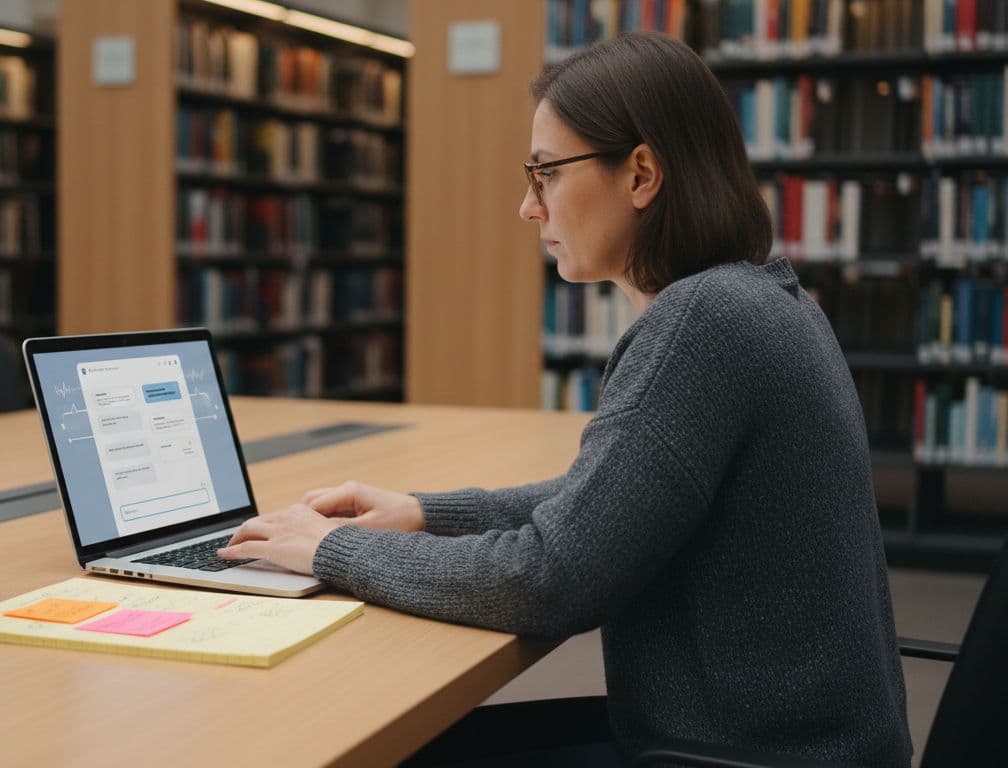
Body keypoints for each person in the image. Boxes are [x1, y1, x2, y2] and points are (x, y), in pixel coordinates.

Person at [218, 32, 913, 767]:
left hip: (738, 755)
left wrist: (333, 549)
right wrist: (425, 514)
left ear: (641, 174)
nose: (527, 205)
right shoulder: (762, 297)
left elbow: (550, 580)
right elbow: (611, 499)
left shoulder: (704, 323)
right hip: (776, 743)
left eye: (546, 172)